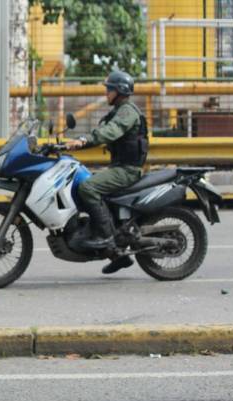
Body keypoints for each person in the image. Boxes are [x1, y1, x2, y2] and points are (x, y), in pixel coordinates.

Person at [65, 70, 148, 274]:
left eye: (109, 89)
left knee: (88, 188)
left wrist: (84, 140)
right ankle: (116, 253)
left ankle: (104, 237)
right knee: (79, 184)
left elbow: (111, 131)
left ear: (119, 90)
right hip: (119, 167)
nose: (106, 93)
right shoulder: (120, 109)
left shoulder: (127, 112)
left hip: (127, 170)